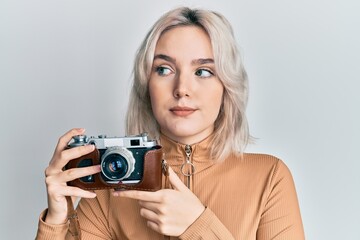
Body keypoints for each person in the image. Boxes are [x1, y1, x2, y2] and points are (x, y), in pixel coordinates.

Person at [36, 7, 305, 240]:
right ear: (146, 86)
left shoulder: (270, 177)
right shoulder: (108, 188)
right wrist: (57, 221)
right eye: (164, 69)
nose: (182, 89)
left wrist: (198, 226)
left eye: (203, 71)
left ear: (227, 86)